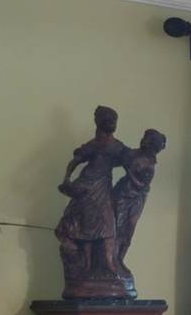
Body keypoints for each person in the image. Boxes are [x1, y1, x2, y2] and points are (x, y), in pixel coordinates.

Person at [54, 106, 167, 300]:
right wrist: (67, 179)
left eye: (114, 121)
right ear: (100, 122)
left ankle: (109, 264)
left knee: (107, 226)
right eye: (109, 120)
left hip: (103, 189)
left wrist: (148, 152)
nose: (113, 124)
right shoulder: (94, 144)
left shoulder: (117, 146)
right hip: (87, 187)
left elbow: (131, 159)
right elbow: (76, 160)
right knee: (86, 227)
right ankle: (92, 266)